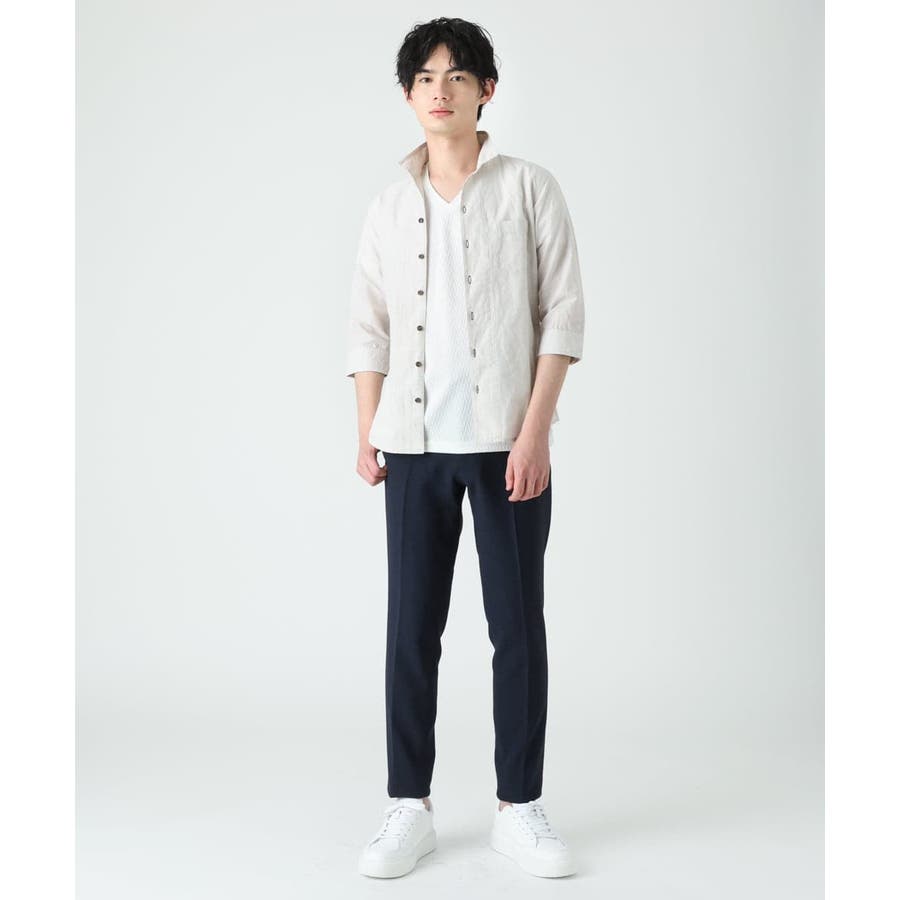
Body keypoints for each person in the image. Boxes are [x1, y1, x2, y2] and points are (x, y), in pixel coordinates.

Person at [345, 17, 585, 880]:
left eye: (456, 76)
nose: (438, 90)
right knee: (411, 631)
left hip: (506, 448)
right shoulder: (388, 205)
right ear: (409, 94)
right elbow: (367, 325)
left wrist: (535, 432)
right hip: (412, 447)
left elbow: (562, 315)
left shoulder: (528, 189)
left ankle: (519, 808)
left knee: (517, 630)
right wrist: (368, 429)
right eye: (423, 78)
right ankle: (407, 807)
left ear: (487, 89)